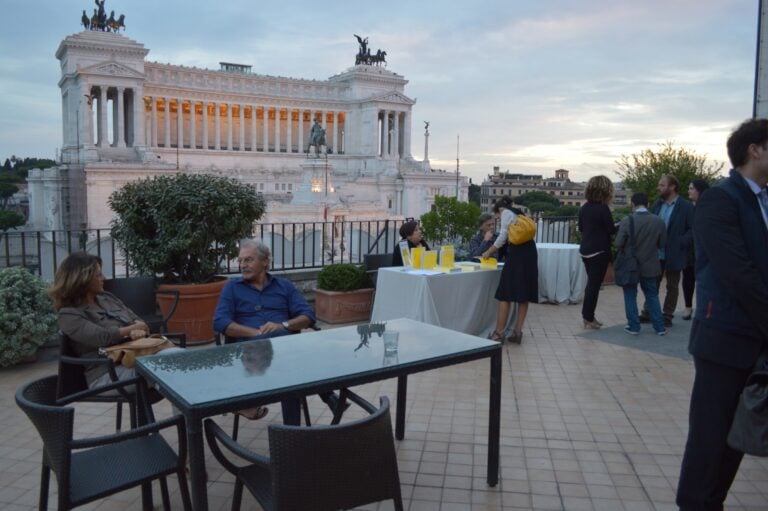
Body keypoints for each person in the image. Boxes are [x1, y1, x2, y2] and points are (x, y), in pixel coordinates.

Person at [676, 118, 768, 510]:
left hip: (757, 337)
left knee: (737, 439)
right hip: (724, 340)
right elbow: (738, 274)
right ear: (755, 149)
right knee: (710, 440)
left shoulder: (763, 200)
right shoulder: (720, 199)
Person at [213, 238, 339, 425]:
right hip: (250, 353)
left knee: (287, 369)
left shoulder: (284, 286)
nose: (242, 265)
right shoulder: (232, 288)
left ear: (265, 261)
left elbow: (307, 315)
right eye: (240, 261)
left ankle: (292, 433)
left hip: (284, 353)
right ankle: (325, 399)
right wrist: (256, 333)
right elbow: (220, 321)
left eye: (248, 260)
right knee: (292, 360)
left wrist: (283, 325)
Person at [50, 252, 186, 392]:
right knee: (168, 370)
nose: (104, 278)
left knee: (181, 358)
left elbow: (139, 322)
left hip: (137, 359)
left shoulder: (107, 298)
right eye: (98, 275)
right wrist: (131, 329)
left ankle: (190, 412)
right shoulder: (69, 314)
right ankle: (190, 411)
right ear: (81, 280)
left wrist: (138, 329)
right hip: (107, 375)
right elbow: (102, 337)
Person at [481, 196, 538, 344]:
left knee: (505, 294)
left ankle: (498, 333)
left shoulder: (506, 213)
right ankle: (517, 332)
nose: (497, 219)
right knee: (524, 294)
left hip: (517, 255)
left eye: (496, 216)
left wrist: (489, 252)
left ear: (499, 210)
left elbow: (502, 237)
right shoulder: (519, 213)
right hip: (529, 252)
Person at [640, 174, 694, 327]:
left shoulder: (685, 206)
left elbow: (692, 229)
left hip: (674, 252)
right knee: (652, 283)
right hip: (656, 252)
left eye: (662, 185)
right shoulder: (657, 204)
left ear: (672, 187)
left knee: (672, 285)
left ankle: (667, 315)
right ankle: (648, 312)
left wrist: (681, 242)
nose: (659, 187)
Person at [616, 193, 667, 336]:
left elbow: (618, 243)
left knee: (630, 294)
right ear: (648, 204)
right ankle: (659, 327)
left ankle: (634, 326)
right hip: (651, 264)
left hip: (631, 265)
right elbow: (662, 244)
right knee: (652, 295)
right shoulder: (658, 221)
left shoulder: (627, 221)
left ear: (632, 204)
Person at [578, 175, 617, 329]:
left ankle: (588, 316)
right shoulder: (603, 208)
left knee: (591, 284)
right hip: (599, 251)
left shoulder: (585, 207)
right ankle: (588, 317)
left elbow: (581, 228)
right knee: (594, 285)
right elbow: (610, 230)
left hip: (586, 250)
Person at [680, 179, 710, 320]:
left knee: (705, 280)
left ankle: (704, 307)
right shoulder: (689, 208)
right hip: (690, 251)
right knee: (688, 278)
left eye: (691, 188)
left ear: (699, 190)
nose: (689, 191)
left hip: (705, 251)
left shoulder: (710, 207)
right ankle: (688, 307)